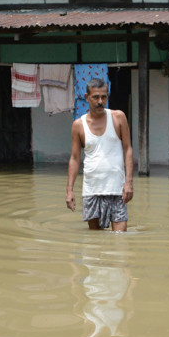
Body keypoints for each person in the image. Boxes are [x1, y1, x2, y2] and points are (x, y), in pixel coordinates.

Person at [66, 78, 134, 232]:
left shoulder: (118, 118)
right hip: (92, 189)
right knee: (95, 241)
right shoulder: (78, 125)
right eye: (95, 97)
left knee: (120, 239)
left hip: (117, 188)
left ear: (107, 96)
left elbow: (128, 149)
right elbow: (75, 159)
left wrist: (129, 182)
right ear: (86, 97)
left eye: (103, 97)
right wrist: (69, 190)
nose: (100, 101)